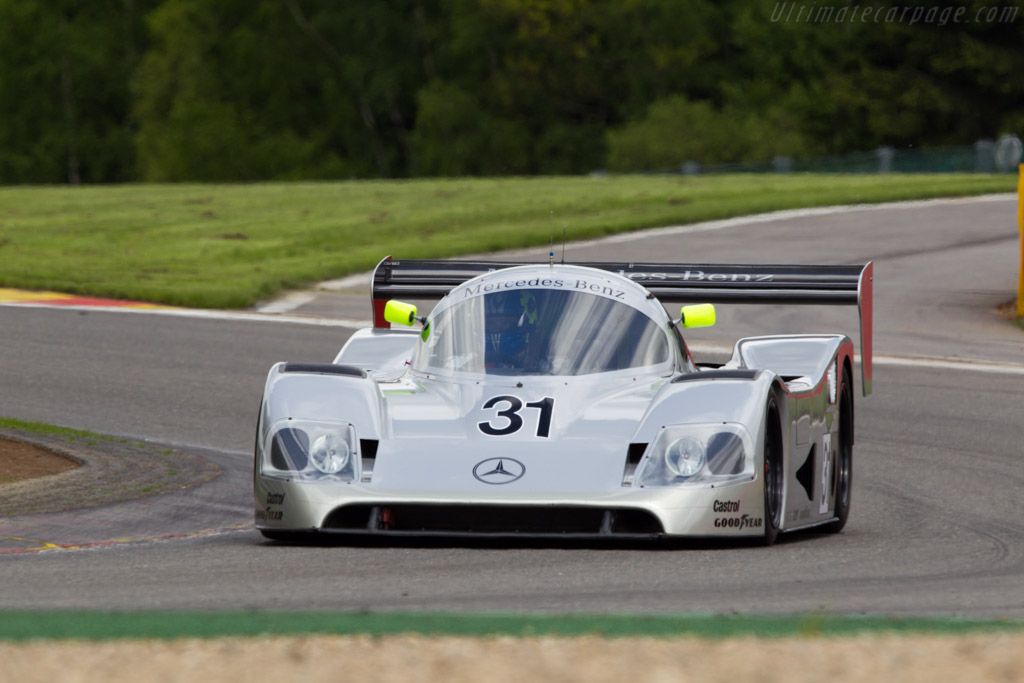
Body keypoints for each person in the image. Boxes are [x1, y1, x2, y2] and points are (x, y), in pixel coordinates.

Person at [483, 290, 538, 370]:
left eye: (505, 323)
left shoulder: (546, 366)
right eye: (491, 323)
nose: (497, 329)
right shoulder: (468, 365)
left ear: (526, 322)